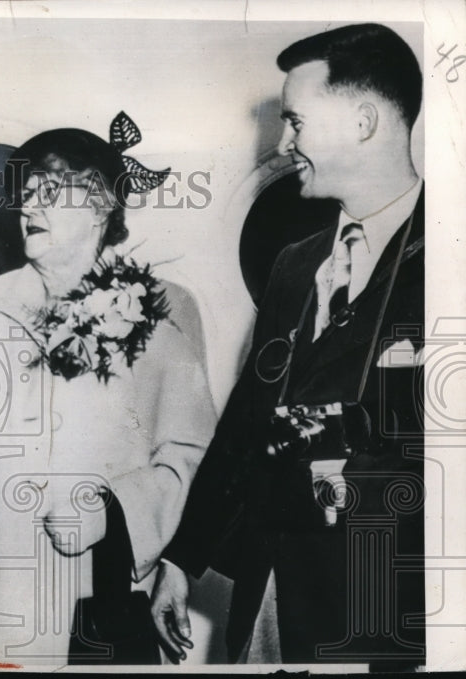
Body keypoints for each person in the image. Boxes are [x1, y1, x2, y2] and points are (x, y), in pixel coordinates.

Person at [150, 23, 425, 668]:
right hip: (275, 590)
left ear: (363, 121)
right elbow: (247, 425)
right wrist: (182, 559)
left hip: (393, 605)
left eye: (296, 122)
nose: (282, 143)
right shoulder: (296, 265)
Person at [0, 124, 217, 664]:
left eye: (50, 192)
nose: (29, 208)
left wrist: (113, 511)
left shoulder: (166, 307)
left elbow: (191, 455)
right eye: (26, 194)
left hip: (108, 591)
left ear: (102, 207)